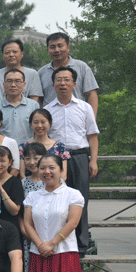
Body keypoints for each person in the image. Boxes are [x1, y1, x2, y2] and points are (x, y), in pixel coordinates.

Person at [45, 67, 99, 256]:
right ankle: (56, 242)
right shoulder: (47, 110)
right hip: (56, 159)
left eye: (67, 80)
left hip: (79, 157)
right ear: (53, 85)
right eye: (59, 80)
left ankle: (81, 245)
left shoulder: (84, 107)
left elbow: (92, 135)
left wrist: (93, 160)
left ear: (74, 84)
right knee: (56, 200)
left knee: (80, 199)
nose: (63, 83)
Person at [19, 142, 48, 272]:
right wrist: (28, 233)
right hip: (29, 241)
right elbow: (21, 214)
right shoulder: (22, 183)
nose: (31, 162)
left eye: (36, 158)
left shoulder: (53, 182)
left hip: (50, 240)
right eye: (27, 158)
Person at [38, 32, 99, 116]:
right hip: (51, 119)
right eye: (52, 47)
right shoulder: (42, 72)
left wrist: (91, 118)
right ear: (47, 50)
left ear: (68, 47)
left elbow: (92, 94)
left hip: (77, 117)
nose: (56, 50)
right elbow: (39, 99)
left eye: (60, 46)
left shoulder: (82, 67)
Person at [0, 68, 40, 145]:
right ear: (4, 85)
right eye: (9, 81)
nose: (13, 85)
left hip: (28, 149)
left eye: (17, 81)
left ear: (24, 84)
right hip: (3, 149)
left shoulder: (34, 105)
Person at [18, 109, 71, 179]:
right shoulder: (23, 147)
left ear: (50, 123)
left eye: (43, 122)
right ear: (31, 124)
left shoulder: (60, 147)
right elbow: (22, 174)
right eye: (36, 122)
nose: (39, 125)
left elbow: (63, 175)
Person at [0, 39, 44, 104]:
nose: (11, 55)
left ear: (22, 54)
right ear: (3, 56)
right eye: (7, 52)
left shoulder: (32, 74)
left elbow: (35, 99)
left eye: (15, 52)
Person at [0, 146, 24, 234]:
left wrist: (1, 189)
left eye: (2, 161)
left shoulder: (15, 182)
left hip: (9, 230)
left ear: (10, 162)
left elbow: (15, 211)